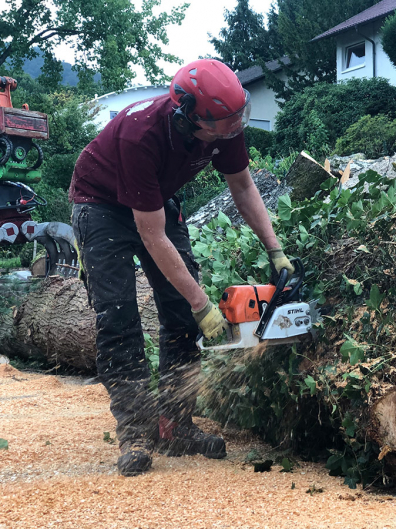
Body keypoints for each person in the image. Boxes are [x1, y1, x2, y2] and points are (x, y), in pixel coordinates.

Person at [68, 59, 295, 477]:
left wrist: (275, 250)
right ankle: (135, 432)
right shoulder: (141, 135)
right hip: (101, 204)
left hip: (157, 199)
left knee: (179, 317)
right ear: (188, 114)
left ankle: (175, 426)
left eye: (236, 119)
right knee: (119, 317)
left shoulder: (223, 125)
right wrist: (203, 305)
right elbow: (152, 235)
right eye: (224, 124)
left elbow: (243, 186)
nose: (233, 129)